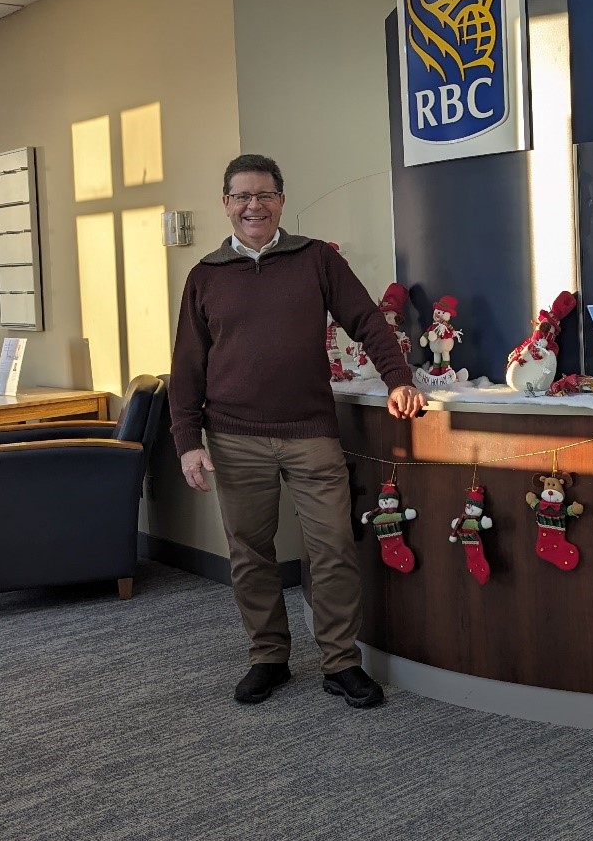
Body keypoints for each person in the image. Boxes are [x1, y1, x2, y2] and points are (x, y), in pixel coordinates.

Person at [170, 154, 426, 709]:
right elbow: (187, 367)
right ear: (226, 203)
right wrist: (188, 441)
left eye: (263, 195)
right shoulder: (205, 277)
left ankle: (340, 663)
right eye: (241, 196)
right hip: (233, 436)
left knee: (332, 546)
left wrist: (397, 379)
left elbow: (366, 320)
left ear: (281, 200)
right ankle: (268, 657)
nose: (253, 205)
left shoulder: (316, 260)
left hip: (310, 430)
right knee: (250, 551)